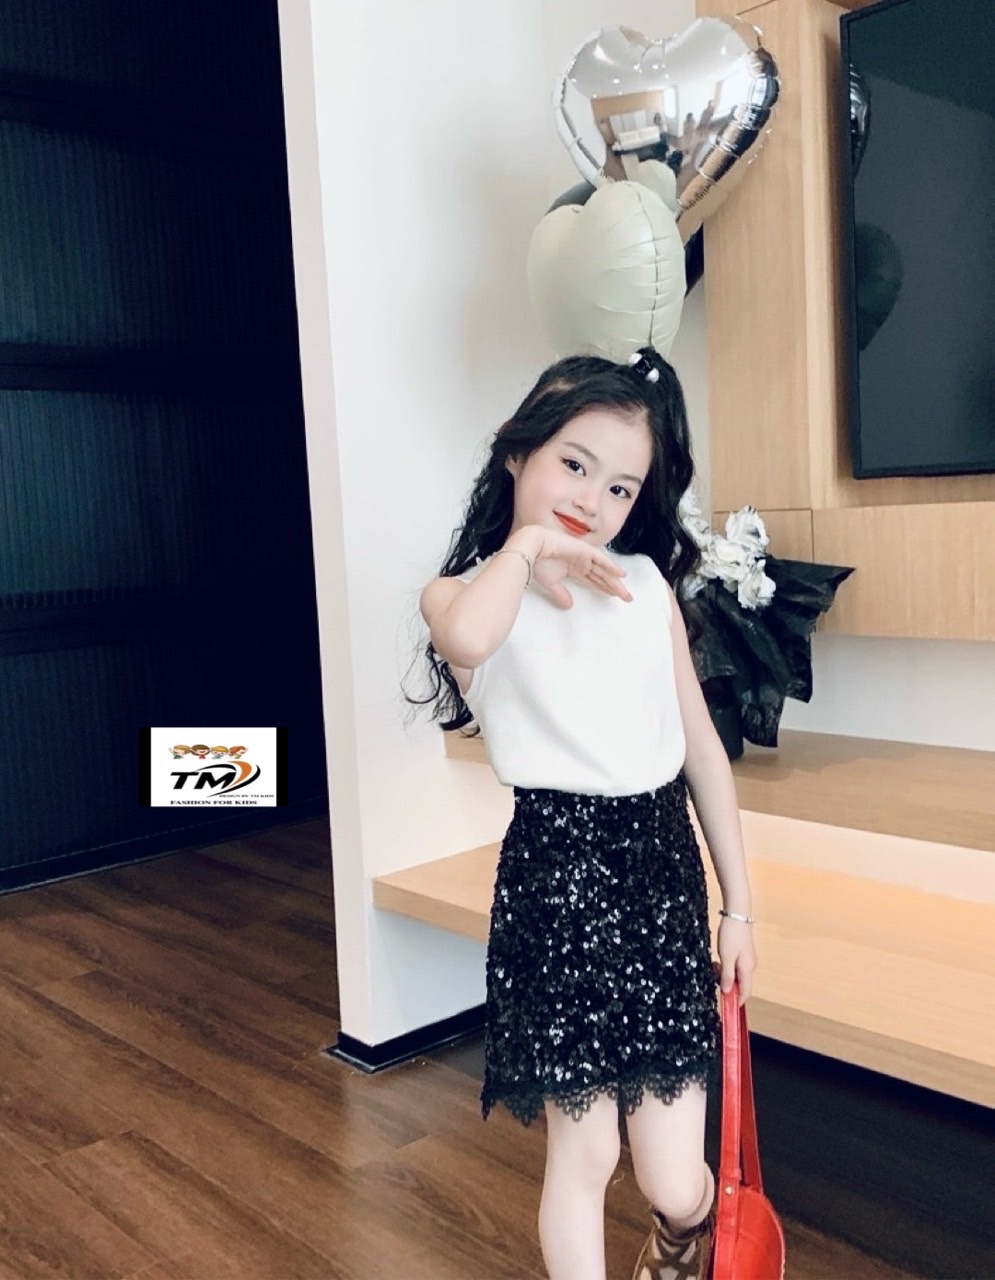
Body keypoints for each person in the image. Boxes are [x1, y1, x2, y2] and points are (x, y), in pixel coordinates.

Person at [414, 347, 757, 1280]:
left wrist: (738, 908)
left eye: (619, 487)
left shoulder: (644, 588)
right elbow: (468, 637)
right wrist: (528, 549)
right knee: (585, 1151)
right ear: (515, 452)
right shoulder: (461, 594)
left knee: (673, 1177)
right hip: (553, 879)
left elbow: (701, 753)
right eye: (573, 463)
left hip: (658, 874)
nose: (592, 500)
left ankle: (682, 1234)